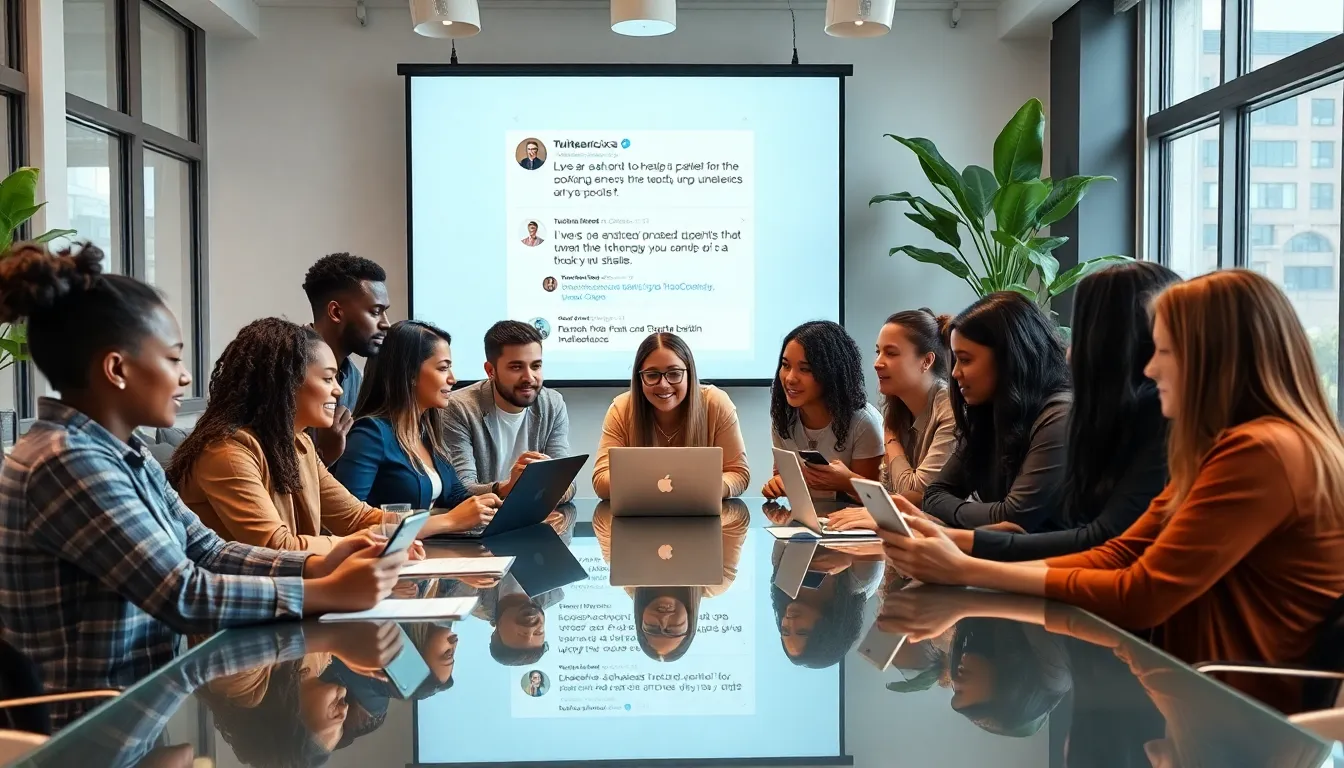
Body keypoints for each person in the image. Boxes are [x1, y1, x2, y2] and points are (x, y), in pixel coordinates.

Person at [882, 270, 1344, 714]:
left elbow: (1141, 592)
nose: (1150, 366)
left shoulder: (1261, 451)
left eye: (1165, 350)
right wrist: (966, 554)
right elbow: (1119, 552)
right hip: (1207, 693)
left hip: (1245, 711)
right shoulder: (1225, 447)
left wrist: (970, 567)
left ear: (1214, 357)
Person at [0, 243, 404, 703]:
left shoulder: (121, 453)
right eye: (173, 359)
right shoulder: (68, 462)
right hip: (89, 727)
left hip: (141, 707)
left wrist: (319, 562)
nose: (186, 377)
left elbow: (207, 550)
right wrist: (328, 591)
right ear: (116, 369)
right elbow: (183, 593)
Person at [937, 263, 1178, 560]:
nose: (1068, 352)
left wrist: (953, 543)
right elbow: (1096, 540)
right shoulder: (1131, 421)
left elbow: (1099, 543)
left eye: (1085, 334)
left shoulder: (1152, 423)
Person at [168, 319, 393, 553]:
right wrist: (362, 542)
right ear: (285, 383)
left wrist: (428, 522)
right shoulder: (225, 452)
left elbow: (356, 518)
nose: (339, 390)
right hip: (243, 588)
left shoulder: (299, 443)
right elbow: (276, 547)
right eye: (328, 378)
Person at [332, 321, 501, 535]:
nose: (453, 378)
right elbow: (348, 524)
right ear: (410, 374)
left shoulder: (425, 431)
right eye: (443, 368)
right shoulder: (370, 435)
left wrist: (491, 503)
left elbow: (455, 495)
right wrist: (449, 520)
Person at [921, 292, 1071, 531]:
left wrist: (954, 514)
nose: (954, 373)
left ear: (1009, 357)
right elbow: (934, 494)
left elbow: (1014, 517)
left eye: (966, 360)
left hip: (1050, 566)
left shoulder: (1059, 416)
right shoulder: (986, 413)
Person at [592, 332, 750, 500]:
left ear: (689, 374)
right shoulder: (621, 409)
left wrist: (710, 489)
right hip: (640, 518)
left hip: (700, 516)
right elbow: (601, 480)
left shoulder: (716, 403)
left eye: (674, 373)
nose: (664, 384)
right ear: (640, 378)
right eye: (652, 375)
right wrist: (664, 486)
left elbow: (738, 473)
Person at [442, 320, 575, 503]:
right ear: (490, 370)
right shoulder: (459, 408)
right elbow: (460, 490)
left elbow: (568, 482)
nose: (529, 377)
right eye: (516, 367)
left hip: (531, 521)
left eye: (536, 366)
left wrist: (554, 486)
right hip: (478, 526)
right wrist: (507, 487)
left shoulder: (552, 404)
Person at [762, 321, 884, 501]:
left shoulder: (863, 423)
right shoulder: (784, 417)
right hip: (806, 521)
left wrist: (845, 482)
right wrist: (778, 483)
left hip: (853, 524)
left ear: (830, 373)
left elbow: (874, 501)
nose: (790, 378)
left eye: (805, 369)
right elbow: (781, 474)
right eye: (786, 365)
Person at [302, 252, 391, 465]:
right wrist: (325, 454)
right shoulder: (285, 370)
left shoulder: (353, 378)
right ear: (335, 312)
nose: (386, 323)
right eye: (375, 311)